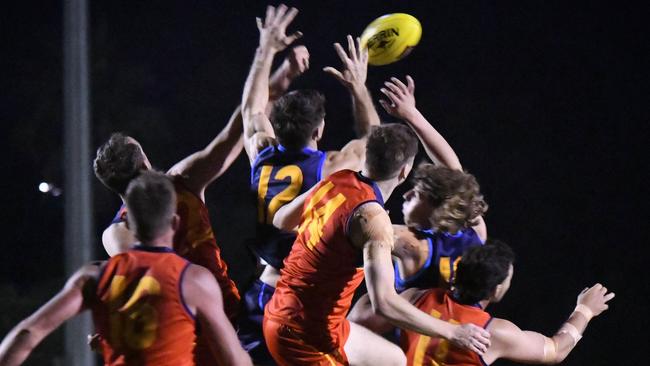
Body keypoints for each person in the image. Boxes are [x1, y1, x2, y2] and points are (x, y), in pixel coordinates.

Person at [265, 121, 491, 366]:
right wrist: (453, 332)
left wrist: (324, 231)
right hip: (302, 337)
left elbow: (281, 219)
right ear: (405, 171)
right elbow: (383, 303)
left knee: (393, 359)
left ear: (365, 157)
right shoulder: (375, 222)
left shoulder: (337, 180)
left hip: (313, 322)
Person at [239, 4, 380, 363]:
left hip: (260, 291)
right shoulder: (332, 167)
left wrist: (266, 50)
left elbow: (251, 110)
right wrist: (358, 88)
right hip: (299, 302)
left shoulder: (261, 153)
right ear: (319, 130)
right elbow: (375, 141)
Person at [0, 171, 252, 366]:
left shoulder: (95, 276)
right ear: (175, 222)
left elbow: (28, 332)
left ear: (128, 222)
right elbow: (234, 360)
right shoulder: (194, 281)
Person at [357, 240, 615, 365]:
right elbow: (556, 350)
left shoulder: (416, 297)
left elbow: (358, 322)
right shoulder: (493, 332)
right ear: (495, 290)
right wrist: (585, 310)